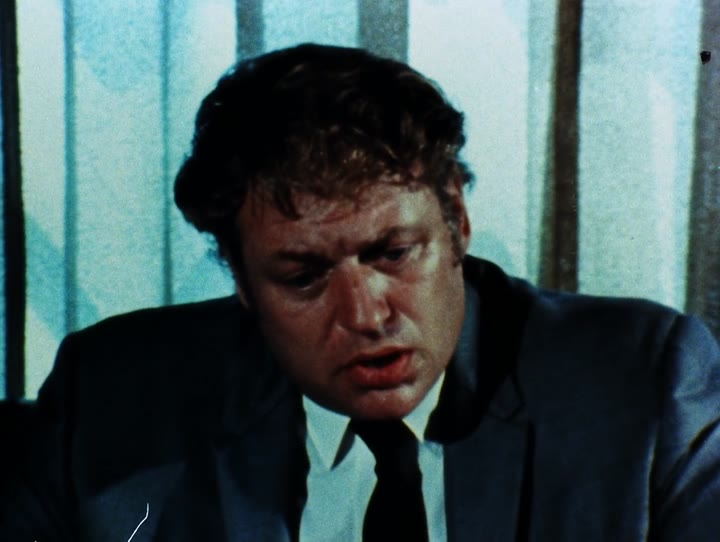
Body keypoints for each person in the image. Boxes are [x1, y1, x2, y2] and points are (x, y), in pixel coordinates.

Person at [2, 43, 720, 542]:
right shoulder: (113, 401)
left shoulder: (644, 388)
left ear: (456, 220)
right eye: (303, 277)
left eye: (394, 254)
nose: (366, 315)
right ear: (242, 282)